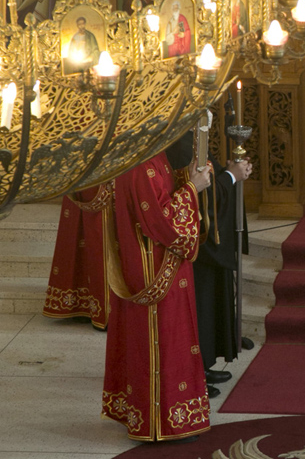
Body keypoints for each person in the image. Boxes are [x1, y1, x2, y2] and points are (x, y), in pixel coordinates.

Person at [102, 152, 212, 442]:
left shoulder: (152, 155)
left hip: (159, 260)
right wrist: (193, 188)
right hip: (154, 264)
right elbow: (159, 220)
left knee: (174, 335)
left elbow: (158, 193)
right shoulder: (140, 163)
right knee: (164, 337)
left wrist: (183, 177)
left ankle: (173, 418)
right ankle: (159, 424)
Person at [165, 132, 255, 393]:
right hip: (197, 244)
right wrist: (231, 176)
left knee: (205, 307)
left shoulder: (188, 135)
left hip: (203, 244)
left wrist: (229, 173)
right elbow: (202, 196)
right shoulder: (178, 141)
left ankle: (202, 367)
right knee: (199, 308)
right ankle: (195, 374)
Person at [43, 184, 111, 329]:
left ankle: (93, 307)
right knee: (85, 236)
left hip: (99, 180)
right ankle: (85, 306)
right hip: (90, 183)